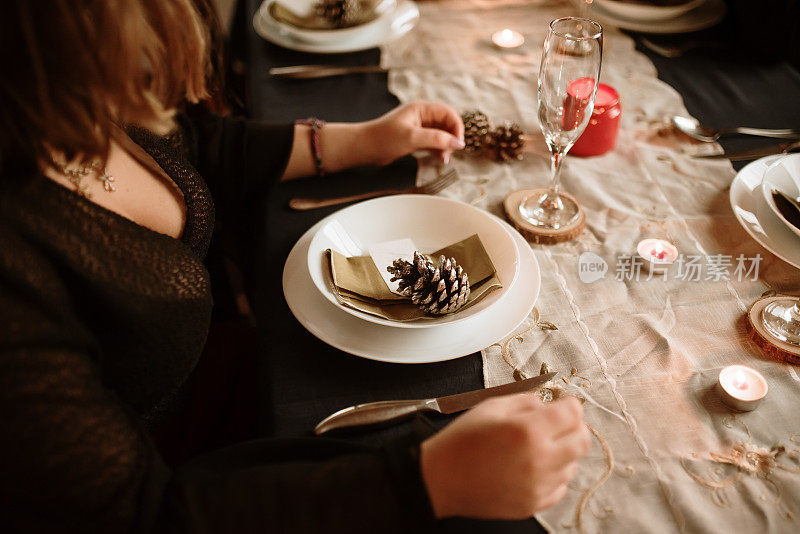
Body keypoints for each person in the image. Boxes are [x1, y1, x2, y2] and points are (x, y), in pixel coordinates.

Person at [0, 0, 590, 532]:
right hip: (193, 470)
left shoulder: (64, 103)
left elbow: (192, 146)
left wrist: (357, 141)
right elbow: (143, 515)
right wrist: (426, 482)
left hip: (224, 373)